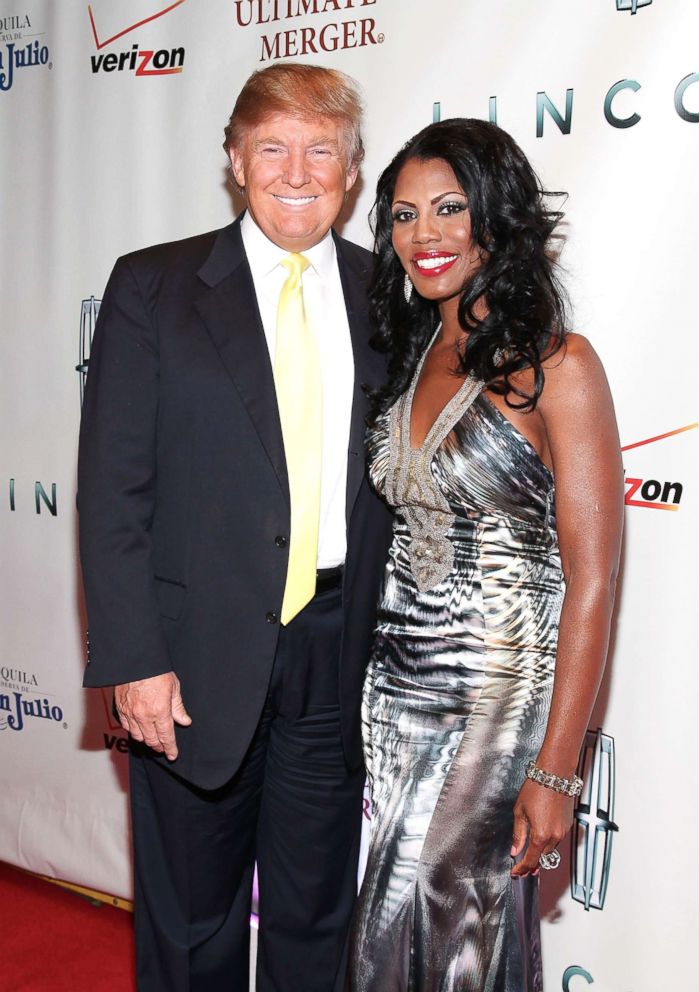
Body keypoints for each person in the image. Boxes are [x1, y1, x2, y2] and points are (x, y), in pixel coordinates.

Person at [78, 63, 391, 992]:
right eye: (272, 147)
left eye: (320, 149)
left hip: (337, 654)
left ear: (351, 167)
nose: (297, 171)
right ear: (234, 157)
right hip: (189, 655)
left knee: (315, 912)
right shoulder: (152, 287)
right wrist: (131, 657)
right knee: (191, 919)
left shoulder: (390, 297)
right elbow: (113, 490)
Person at [347, 119, 623, 991]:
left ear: (494, 220)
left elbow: (593, 582)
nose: (423, 235)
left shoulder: (559, 365)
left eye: (448, 208)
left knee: (436, 909)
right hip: (394, 689)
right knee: (426, 931)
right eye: (402, 215)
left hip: (496, 697)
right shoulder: (411, 352)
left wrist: (557, 769)